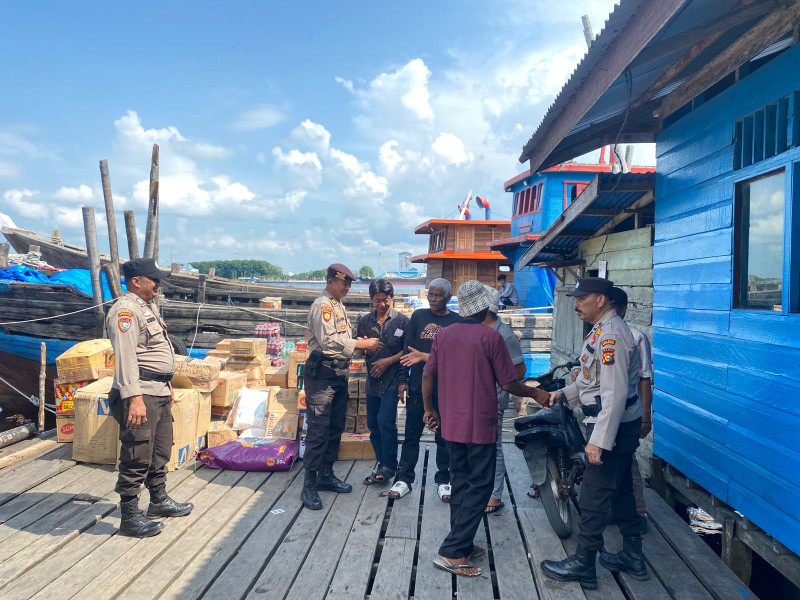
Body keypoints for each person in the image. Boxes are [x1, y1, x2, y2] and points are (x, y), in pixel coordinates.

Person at [423, 280, 550, 577]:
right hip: (479, 425)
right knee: (480, 488)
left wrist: (429, 410)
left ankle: (463, 544)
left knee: (460, 483)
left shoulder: (443, 335)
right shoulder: (491, 337)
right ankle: (452, 551)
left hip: (450, 424)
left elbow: (427, 375)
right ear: (484, 307)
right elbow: (509, 383)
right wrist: (536, 393)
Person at [540, 277, 646, 589]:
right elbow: (591, 382)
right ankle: (633, 556)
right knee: (623, 491)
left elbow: (614, 394)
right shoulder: (602, 329)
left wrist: (599, 442)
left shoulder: (610, 335)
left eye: (581, 298)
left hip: (611, 426)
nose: (576, 304)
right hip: (617, 424)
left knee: (593, 495)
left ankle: (583, 563)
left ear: (600, 300)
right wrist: (564, 394)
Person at [107, 258, 194, 538]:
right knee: (137, 454)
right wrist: (134, 398)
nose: (158, 284)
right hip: (140, 392)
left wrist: (166, 383)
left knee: (159, 450)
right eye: (153, 279)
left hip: (157, 390)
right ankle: (130, 516)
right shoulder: (126, 311)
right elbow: (126, 358)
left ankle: (158, 500)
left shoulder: (146, 307)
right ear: (136, 281)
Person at [302, 263, 383, 510]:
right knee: (318, 430)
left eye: (349, 284)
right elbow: (328, 341)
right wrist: (362, 344)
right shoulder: (323, 306)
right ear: (330, 282)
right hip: (322, 374)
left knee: (335, 427)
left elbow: (341, 340)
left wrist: (358, 343)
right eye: (343, 283)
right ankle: (309, 484)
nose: (347, 287)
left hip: (338, 373)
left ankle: (326, 474)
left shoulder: (337, 305)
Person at [389, 278, 461, 502]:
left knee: (444, 436)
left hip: (445, 390)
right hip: (417, 387)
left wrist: (425, 357)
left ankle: (444, 479)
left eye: (438, 295)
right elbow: (407, 350)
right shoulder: (419, 316)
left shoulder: (456, 322)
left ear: (448, 297)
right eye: (430, 294)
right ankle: (404, 478)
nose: (433, 299)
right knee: (411, 434)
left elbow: (456, 358)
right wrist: (403, 379)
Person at [355, 279, 410, 485]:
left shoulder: (402, 322)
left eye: (386, 300)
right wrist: (363, 346)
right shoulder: (364, 321)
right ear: (371, 299)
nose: (382, 304)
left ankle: (389, 466)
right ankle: (382, 462)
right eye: (378, 300)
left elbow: (407, 351)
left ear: (392, 298)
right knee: (373, 424)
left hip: (393, 379)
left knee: (385, 421)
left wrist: (388, 361)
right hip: (373, 379)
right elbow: (358, 351)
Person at [481, 285, 527, 515]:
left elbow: (520, 369)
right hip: (474, 397)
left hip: (494, 398)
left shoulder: (504, 333)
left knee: (494, 446)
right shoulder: (476, 328)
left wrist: (497, 379)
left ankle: (495, 494)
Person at [611, 287, 652, 531]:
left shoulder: (636, 337)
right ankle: (614, 510)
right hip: (604, 411)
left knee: (628, 462)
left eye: (614, 308)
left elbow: (644, 378)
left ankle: (637, 513)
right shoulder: (597, 334)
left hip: (628, 411)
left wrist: (646, 416)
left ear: (623, 310)